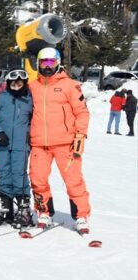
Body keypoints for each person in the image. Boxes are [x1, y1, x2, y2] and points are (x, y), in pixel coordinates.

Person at [28, 47, 92, 234]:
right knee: (37, 180)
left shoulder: (70, 85)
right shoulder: (32, 86)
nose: (47, 66)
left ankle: (81, 216)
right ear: (38, 64)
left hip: (66, 143)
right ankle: (44, 212)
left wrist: (80, 136)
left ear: (58, 63)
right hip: (39, 143)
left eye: (51, 62)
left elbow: (82, 112)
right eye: (44, 62)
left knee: (74, 181)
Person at [0, 70, 33, 227]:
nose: (16, 85)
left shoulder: (30, 100)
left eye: (19, 83)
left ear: (24, 84)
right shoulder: (1, 98)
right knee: (4, 173)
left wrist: (30, 134)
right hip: (3, 143)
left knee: (19, 174)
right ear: (8, 84)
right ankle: (7, 208)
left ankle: (24, 209)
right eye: (13, 83)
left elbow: (35, 119)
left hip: (21, 144)